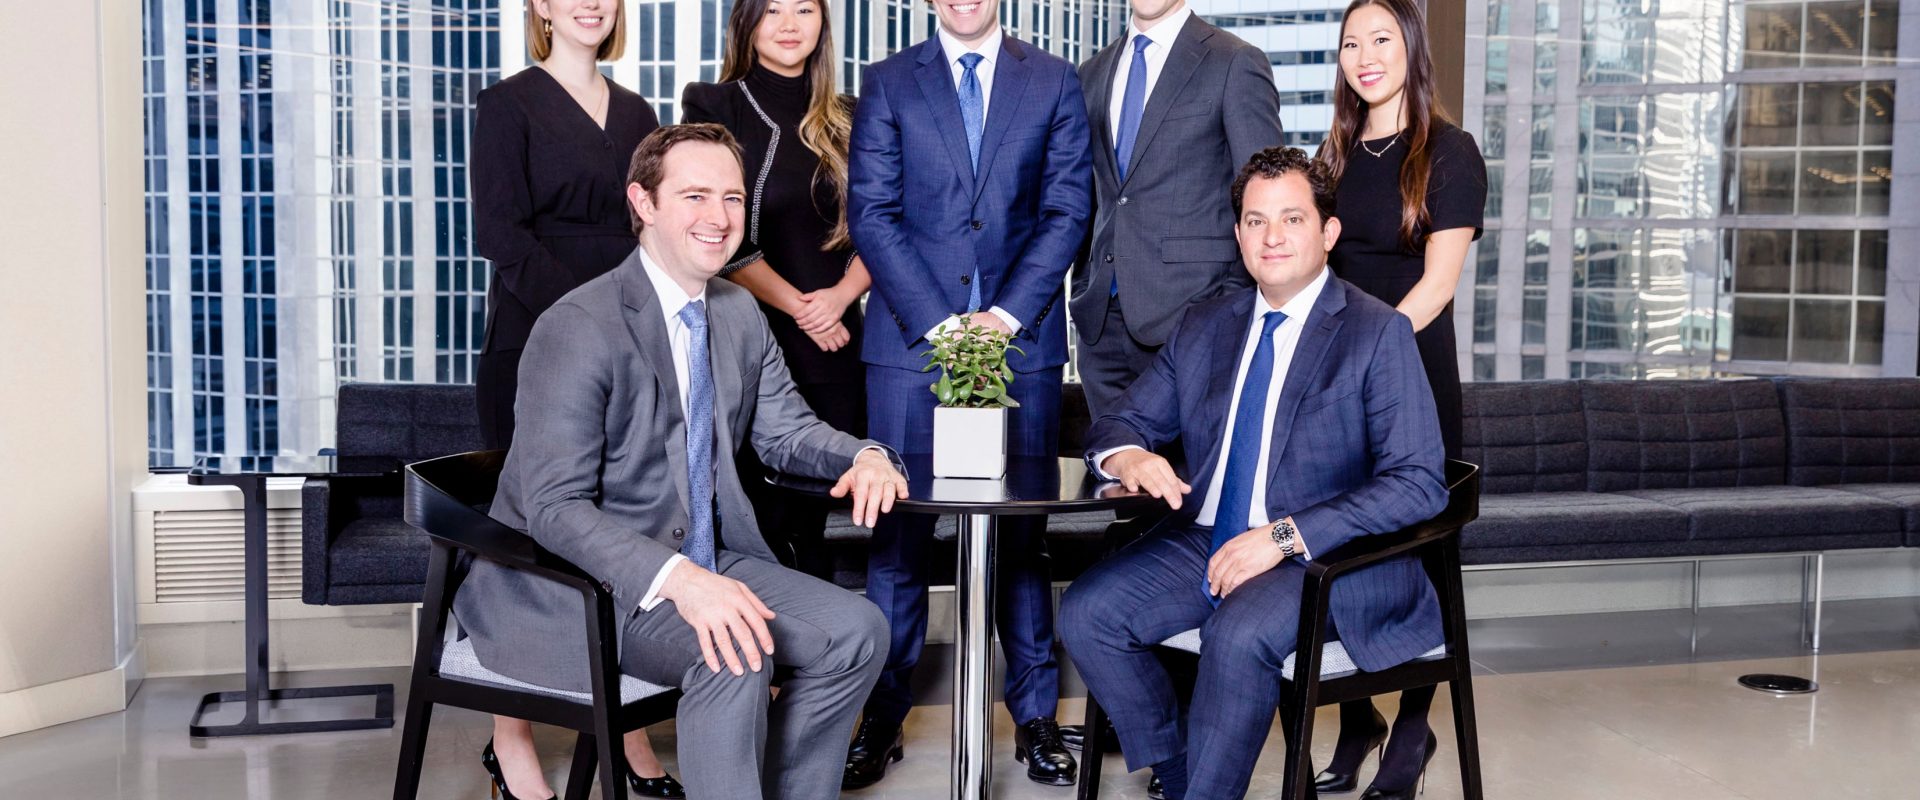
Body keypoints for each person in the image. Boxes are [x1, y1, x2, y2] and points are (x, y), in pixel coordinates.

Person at [454, 123, 908, 800]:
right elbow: (553, 507)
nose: (718, 217)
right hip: (579, 585)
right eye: (695, 196)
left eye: (732, 198)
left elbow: (786, 430)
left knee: (859, 631)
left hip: (701, 557)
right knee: (733, 651)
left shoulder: (738, 312)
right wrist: (680, 581)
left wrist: (865, 454)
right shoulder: (578, 325)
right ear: (644, 202)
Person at [1058, 146, 1449, 800]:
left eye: (1292, 219)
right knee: (1088, 613)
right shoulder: (1206, 324)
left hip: (1328, 557)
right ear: (1238, 234)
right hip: (1210, 538)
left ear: (1328, 232)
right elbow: (1120, 421)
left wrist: (1283, 537)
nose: (1272, 237)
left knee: (1236, 636)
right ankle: (1187, 779)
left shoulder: (1374, 332)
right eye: (1255, 220)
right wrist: (1127, 455)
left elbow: (1417, 482)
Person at [844, 0, 1093, 788]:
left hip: (1021, 345)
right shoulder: (888, 82)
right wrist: (944, 326)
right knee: (897, 539)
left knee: (1023, 539)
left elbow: (1067, 209)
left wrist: (1004, 318)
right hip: (910, 346)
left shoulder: (1053, 80)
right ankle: (881, 717)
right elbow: (872, 212)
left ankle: (1037, 718)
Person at [467, 2, 673, 797]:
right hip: (536, 338)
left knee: (623, 525)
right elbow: (500, 234)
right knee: (521, 537)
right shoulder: (506, 104)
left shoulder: (639, 113)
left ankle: (624, 727)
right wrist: (589, 323)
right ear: (541, 7)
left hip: (626, 344)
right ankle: (509, 737)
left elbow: (652, 231)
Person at [1317, 1, 1486, 796]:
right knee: (1335, 544)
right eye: (1351, 43)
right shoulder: (1333, 157)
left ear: (1411, 48)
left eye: (1381, 39)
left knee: (1422, 548)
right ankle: (1358, 720)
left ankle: (1415, 728)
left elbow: (1438, 284)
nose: (1365, 55)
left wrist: (1367, 357)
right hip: (1335, 384)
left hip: (1411, 373)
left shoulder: (1449, 152)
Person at [680, 0, 867, 581]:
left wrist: (840, 297)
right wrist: (802, 308)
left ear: (823, 23)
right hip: (748, 330)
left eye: (804, 9)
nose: (789, 24)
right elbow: (711, 227)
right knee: (755, 515)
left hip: (838, 340)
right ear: (747, 24)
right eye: (772, 10)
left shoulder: (853, 115)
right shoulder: (714, 105)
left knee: (815, 516)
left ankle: (819, 632)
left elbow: (887, 223)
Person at [1072, 0, 1285, 419]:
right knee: (1112, 460)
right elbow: (1090, 197)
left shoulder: (1234, 61)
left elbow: (1265, 199)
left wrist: (1226, 309)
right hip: (1101, 331)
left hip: (1195, 321)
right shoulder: (1091, 72)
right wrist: (1084, 286)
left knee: (1190, 464)